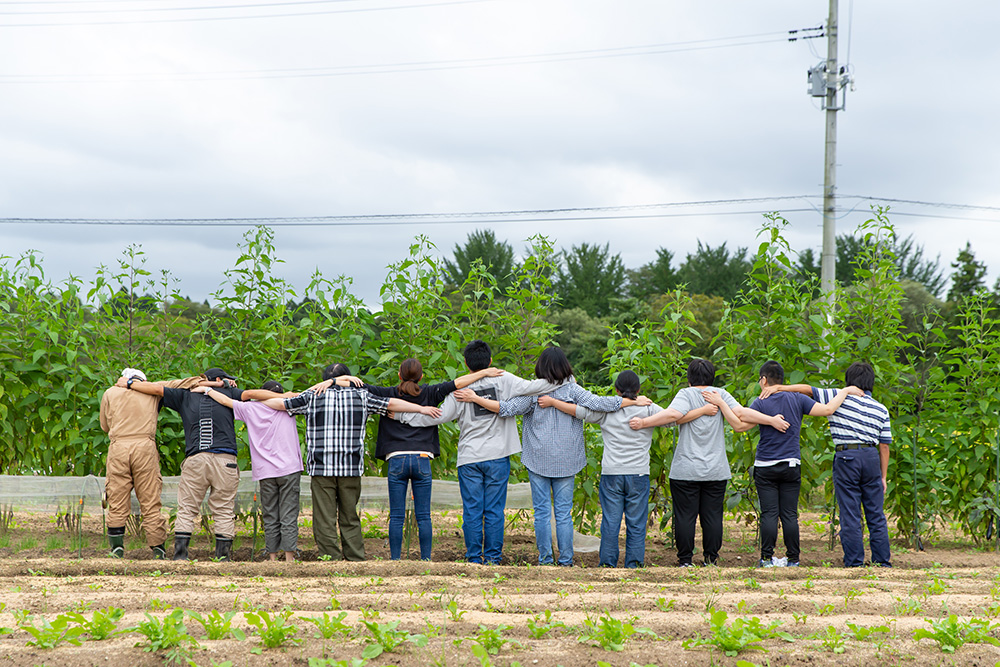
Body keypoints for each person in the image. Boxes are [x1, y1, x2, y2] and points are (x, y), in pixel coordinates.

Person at [456, 347, 650, 567]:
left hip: (538, 458)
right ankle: (566, 560)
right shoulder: (573, 389)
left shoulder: (533, 392)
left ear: (541, 366)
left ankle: (546, 560)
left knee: (541, 514)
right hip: (567, 460)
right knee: (563, 514)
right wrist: (630, 401)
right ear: (565, 366)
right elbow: (598, 403)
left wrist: (475, 398)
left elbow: (506, 409)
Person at [317, 359, 504, 561]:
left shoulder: (386, 392)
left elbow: (355, 384)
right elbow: (458, 383)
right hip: (422, 458)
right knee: (424, 516)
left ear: (399, 375)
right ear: (421, 377)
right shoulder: (431, 393)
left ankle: (396, 560)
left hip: (396, 459)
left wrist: (333, 381)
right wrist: (483, 373)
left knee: (397, 516)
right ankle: (426, 560)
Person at [395, 340, 558, 565]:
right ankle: (492, 558)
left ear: (465, 363)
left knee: (472, 510)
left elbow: (439, 416)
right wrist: (566, 379)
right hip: (499, 455)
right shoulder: (505, 379)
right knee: (494, 510)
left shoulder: (459, 388)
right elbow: (536, 386)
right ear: (490, 361)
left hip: (470, 457)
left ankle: (473, 558)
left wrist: (403, 416)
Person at [260, 363, 441, 561]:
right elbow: (392, 403)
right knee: (350, 516)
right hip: (351, 468)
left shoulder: (311, 397)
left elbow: (278, 404)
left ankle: (331, 558)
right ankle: (354, 557)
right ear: (350, 379)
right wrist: (422, 409)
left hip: (322, 468)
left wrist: (253, 399)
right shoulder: (362, 397)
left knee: (324, 519)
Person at [539, 370, 719, 568]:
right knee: (636, 523)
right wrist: (703, 410)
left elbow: (578, 412)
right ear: (638, 389)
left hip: (611, 473)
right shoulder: (649, 408)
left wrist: (553, 402)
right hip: (638, 474)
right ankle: (633, 564)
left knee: (610, 522)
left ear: (616, 390)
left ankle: (607, 564)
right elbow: (673, 418)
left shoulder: (608, 409)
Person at [630, 358, 789, 567]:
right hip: (715, 469)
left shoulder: (686, 394)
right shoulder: (719, 394)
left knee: (685, 517)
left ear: (689, 379)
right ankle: (711, 560)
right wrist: (770, 419)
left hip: (685, 470)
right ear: (712, 378)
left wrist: (643, 423)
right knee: (712, 517)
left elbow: (672, 415)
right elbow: (741, 412)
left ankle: (685, 560)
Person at [703, 360, 858, 567]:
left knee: (769, 514)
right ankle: (793, 559)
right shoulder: (797, 399)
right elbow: (829, 409)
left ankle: (767, 559)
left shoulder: (760, 402)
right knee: (789, 514)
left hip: (765, 466)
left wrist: (722, 403)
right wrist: (845, 390)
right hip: (790, 465)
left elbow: (739, 425)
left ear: (764, 380)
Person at [125, 368, 281, 561]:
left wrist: (130, 383)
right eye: (228, 380)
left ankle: (181, 556)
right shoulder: (229, 393)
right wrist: (285, 395)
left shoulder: (183, 395)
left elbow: (157, 389)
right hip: (225, 460)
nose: (232, 384)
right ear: (218, 379)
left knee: (187, 508)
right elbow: (251, 394)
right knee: (223, 509)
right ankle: (222, 558)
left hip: (196, 459)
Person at [758, 361, 892, 567]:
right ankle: (882, 562)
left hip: (847, 456)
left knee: (850, 512)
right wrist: (883, 476)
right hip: (871, 456)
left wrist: (779, 387)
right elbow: (885, 446)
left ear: (849, 381)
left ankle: (855, 562)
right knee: (876, 513)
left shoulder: (839, 396)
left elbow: (807, 390)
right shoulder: (881, 409)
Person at [99, 368, 204, 559]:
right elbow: (181, 383)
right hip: (145, 447)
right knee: (150, 499)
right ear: (142, 380)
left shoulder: (109, 393)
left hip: (118, 447)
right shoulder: (152, 389)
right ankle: (158, 549)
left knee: (116, 496)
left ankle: (117, 548)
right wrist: (207, 381)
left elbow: (104, 426)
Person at [193, 380, 303, 562]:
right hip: (289, 469)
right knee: (289, 514)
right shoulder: (287, 406)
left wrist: (207, 389)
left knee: (270, 514)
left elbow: (225, 401)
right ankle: (290, 559)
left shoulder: (250, 409)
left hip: (265, 471)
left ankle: (273, 558)